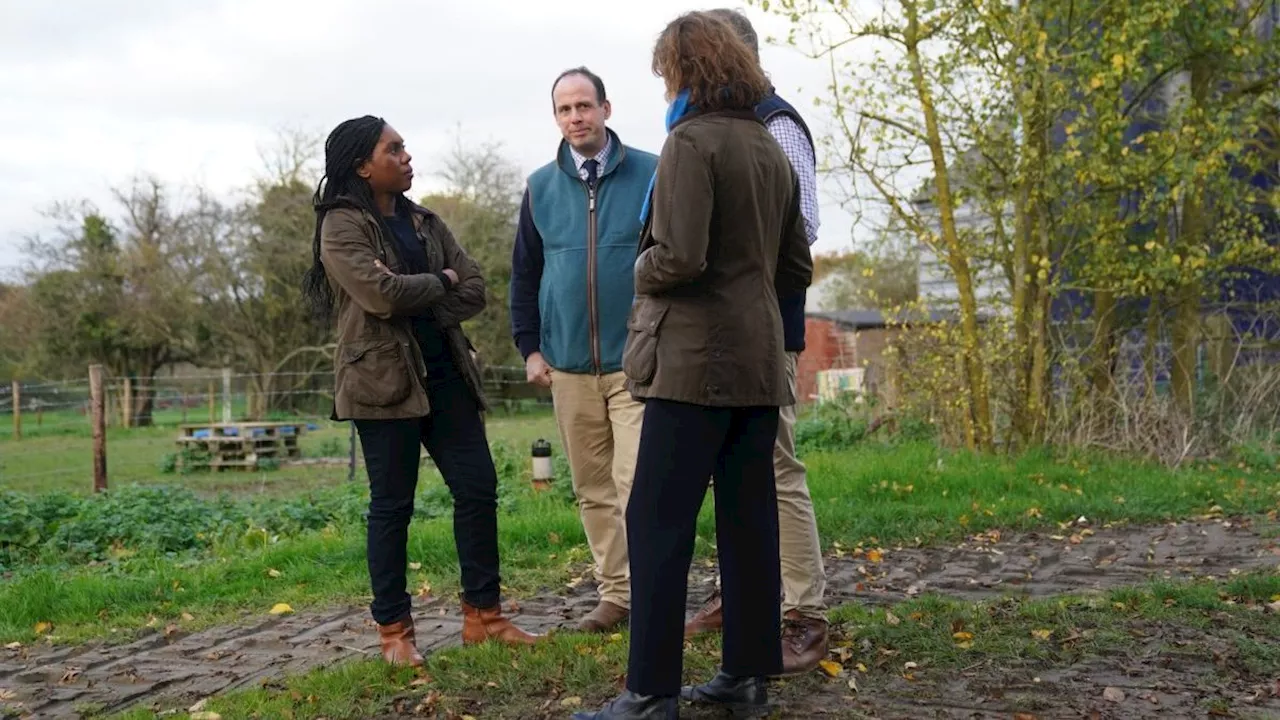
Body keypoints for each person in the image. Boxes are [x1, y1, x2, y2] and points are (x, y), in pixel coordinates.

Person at [575, 12, 813, 720]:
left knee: (656, 523)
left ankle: (649, 693)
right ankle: (746, 676)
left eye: (666, 74)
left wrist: (638, 267)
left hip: (691, 365)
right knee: (749, 523)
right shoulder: (769, 148)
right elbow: (796, 265)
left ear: (685, 71)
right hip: (758, 365)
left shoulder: (691, 143)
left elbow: (677, 257)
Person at [301, 115, 539, 666]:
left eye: (405, 147)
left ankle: (485, 617)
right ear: (363, 164)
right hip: (382, 384)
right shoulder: (341, 225)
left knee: (477, 489)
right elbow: (380, 295)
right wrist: (439, 285)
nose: (407, 156)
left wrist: (424, 292)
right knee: (392, 506)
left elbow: (475, 287)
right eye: (395, 149)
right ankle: (395, 633)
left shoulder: (424, 220)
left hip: (448, 375)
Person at [680, 7, 830, 676]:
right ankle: (741, 596)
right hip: (715, 335)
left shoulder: (777, 123)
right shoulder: (699, 127)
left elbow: (803, 226)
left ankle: (804, 615)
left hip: (766, 329)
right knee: (730, 469)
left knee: (777, 468)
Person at [509, 68, 659, 633]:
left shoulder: (652, 173)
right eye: (565, 109)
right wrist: (530, 348)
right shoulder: (540, 186)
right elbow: (525, 274)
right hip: (567, 366)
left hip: (637, 362)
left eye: (584, 106)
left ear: (606, 108)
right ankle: (616, 596)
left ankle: (652, 591)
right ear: (556, 118)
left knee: (637, 480)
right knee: (592, 489)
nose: (576, 117)